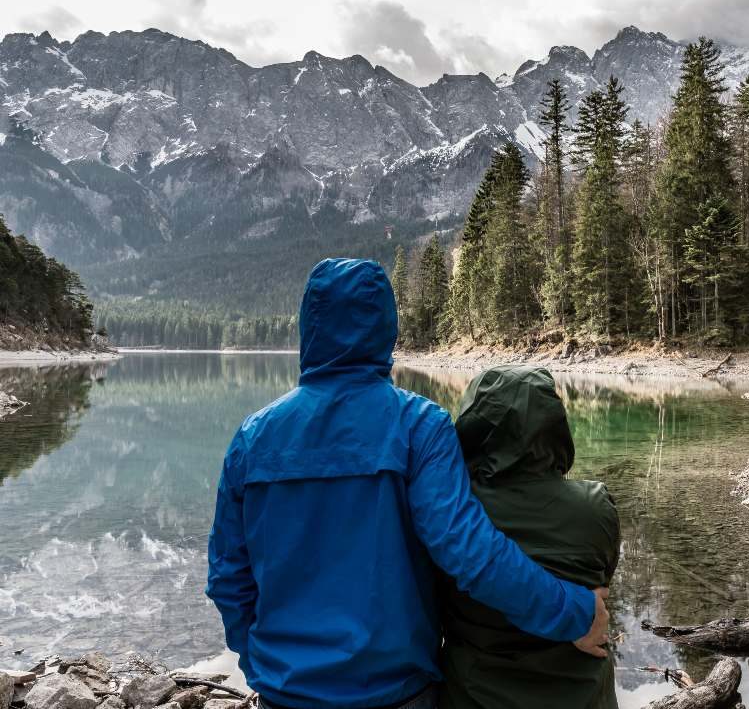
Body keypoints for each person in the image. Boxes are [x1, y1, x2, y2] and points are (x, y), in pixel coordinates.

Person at [206, 258, 609, 709]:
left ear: (309, 326)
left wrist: (263, 661)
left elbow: (227, 579)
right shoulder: (420, 425)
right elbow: (471, 555)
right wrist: (575, 613)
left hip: (285, 694)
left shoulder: (252, 438)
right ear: (386, 328)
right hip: (397, 694)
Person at [439, 365, 620, 709]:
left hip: (473, 696)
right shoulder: (596, 508)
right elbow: (603, 584)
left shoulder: (454, 514)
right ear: (553, 425)